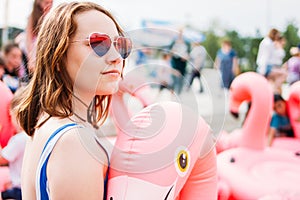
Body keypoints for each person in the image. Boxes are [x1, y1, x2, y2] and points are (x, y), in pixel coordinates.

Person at [17, 2, 132, 199]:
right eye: (97, 44)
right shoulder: (75, 142)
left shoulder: (44, 122)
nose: (116, 57)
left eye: (120, 45)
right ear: (57, 55)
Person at [0, 87, 28, 200]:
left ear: (18, 115)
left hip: (19, 190)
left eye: (11, 116)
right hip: (26, 187)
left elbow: (2, 159)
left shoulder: (18, 139)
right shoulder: (33, 136)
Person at [26, 0, 53, 73]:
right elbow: (28, 38)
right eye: (46, 2)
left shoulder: (52, 16)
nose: (49, 5)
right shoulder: (33, 16)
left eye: (51, 3)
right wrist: (31, 58)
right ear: (38, 2)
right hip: (35, 49)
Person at [169, 29, 191, 95]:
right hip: (175, 62)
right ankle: (172, 92)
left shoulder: (187, 43)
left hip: (182, 62)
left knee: (181, 78)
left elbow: (189, 53)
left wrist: (186, 57)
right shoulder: (173, 42)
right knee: (174, 78)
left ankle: (179, 94)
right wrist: (173, 52)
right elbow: (169, 52)